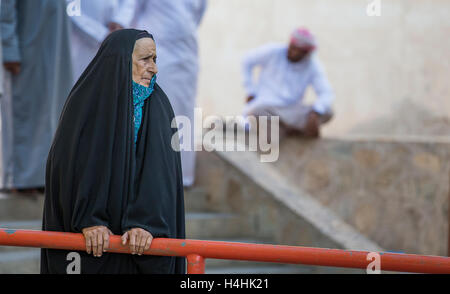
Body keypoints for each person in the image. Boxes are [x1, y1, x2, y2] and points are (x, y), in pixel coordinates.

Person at [41, 29, 186, 274]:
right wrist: (88, 219)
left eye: (155, 59)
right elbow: (69, 167)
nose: (153, 68)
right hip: (90, 246)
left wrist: (146, 224)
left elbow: (161, 174)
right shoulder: (85, 103)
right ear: (120, 60)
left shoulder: (159, 106)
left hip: (139, 245)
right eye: (144, 59)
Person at [0, 0, 73, 193]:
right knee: (25, 109)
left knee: (53, 112)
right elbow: (5, 9)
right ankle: (20, 179)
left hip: (55, 45)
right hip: (27, 46)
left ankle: (42, 176)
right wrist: (9, 49)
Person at [132, 0, 207, 187]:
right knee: (154, 109)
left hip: (186, 53)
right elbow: (132, 9)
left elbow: (197, 15)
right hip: (158, 48)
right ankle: (147, 174)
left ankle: (181, 176)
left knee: (182, 113)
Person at [242, 28, 335, 139]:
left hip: (292, 110)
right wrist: (251, 90)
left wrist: (315, 113)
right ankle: (287, 131)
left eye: (299, 50)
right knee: (255, 111)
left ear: (306, 53)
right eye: (293, 48)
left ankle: (287, 129)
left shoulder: (313, 65)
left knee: (327, 111)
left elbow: (326, 93)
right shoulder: (273, 52)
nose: (294, 52)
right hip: (267, 108)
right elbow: (246, 61)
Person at [68, 0, 137, 83]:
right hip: (79, 40)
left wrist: (120, 22)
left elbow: (129, 3)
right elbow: (70, 9)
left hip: (114, 39)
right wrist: (101, 34)